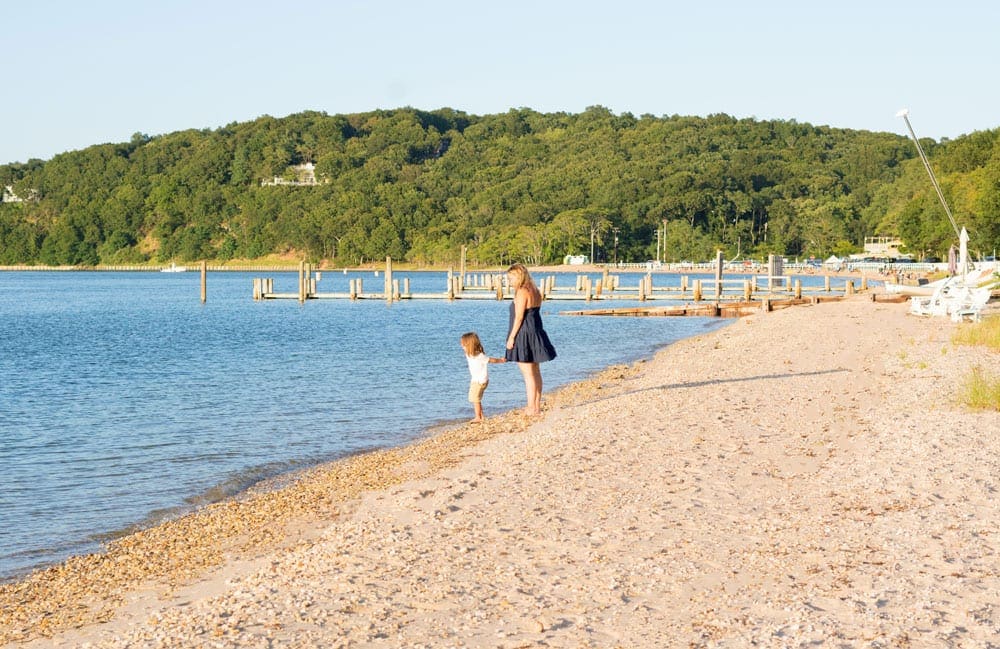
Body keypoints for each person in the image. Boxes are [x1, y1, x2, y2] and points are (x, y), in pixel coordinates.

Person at [504, 263, 557, 416]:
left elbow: (519, 317)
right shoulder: (535, 290)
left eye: (511, 278)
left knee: (528, 374)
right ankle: (536, 406)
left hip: (524, 334)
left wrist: (512, 337)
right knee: (536, 371)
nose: (509, 281)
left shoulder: (522, 292)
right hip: (536, 331)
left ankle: (531, 407)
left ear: (518, 276)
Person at [460, 331, 506, 422]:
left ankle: (478, 417)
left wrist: (501, 360)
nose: (462, 347)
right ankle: (481, 416)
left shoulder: (479, 356)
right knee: (477, 398)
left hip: (479, 381)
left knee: (475, 399)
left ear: (469, 345)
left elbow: (491, 360)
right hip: (480, 380)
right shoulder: (470, 354)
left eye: (463, 345)